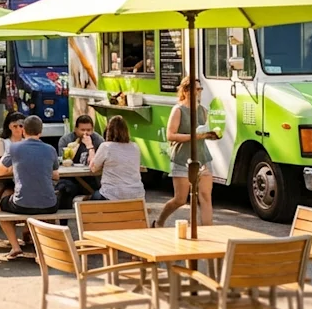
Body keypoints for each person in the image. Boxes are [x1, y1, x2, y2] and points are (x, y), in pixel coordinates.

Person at [0, 115, 60, 260]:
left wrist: (15, 168)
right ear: (41, 132)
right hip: (50, 205)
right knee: (46, 199)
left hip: (21, 204)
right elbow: (55, 175)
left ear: (24, 131)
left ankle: (15, 246)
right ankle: (43, 246)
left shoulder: (14, 148)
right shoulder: (50, 150)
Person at [156, 78, 217, 227]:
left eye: (200, 89)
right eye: (196, 89)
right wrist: (193, 136)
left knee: (205, 196)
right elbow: (170, 135)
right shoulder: (178, 110)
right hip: (182, 159)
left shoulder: (203, 110)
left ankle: (209, 231)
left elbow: (204, 133)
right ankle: (159, 222)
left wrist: (211, 135)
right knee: (180, 199)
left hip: (203, 158)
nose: (199, 92)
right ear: (186, 91)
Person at [87, 116, 145, 201]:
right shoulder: (135, 147)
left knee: (92, 199)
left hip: (112, 195)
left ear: (108, 131)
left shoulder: (106, 146)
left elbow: (93, 168)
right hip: (137, 194)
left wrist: (90, 147)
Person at [56, 115, 104, 203]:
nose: (85, 133)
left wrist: (90, 146)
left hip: (92, 177)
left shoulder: (98, 140)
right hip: (71, 178)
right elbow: (64, 162)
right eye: (82, 130)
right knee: (64, 188)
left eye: (88, 130)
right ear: (76, 129)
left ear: (92, 130)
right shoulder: (66, 140)